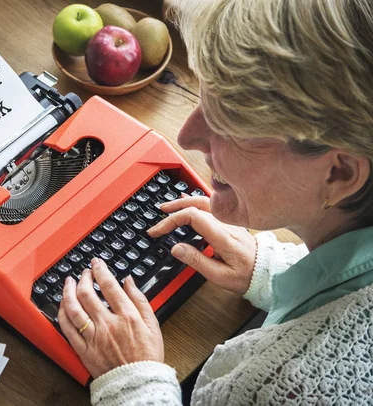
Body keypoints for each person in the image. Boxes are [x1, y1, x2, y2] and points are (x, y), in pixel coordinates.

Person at [58, 0, 373, 404]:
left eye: (230, 124)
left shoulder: (287, 386)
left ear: (340, 173)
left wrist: (133, 383)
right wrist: (275, 273)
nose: (187, 137)